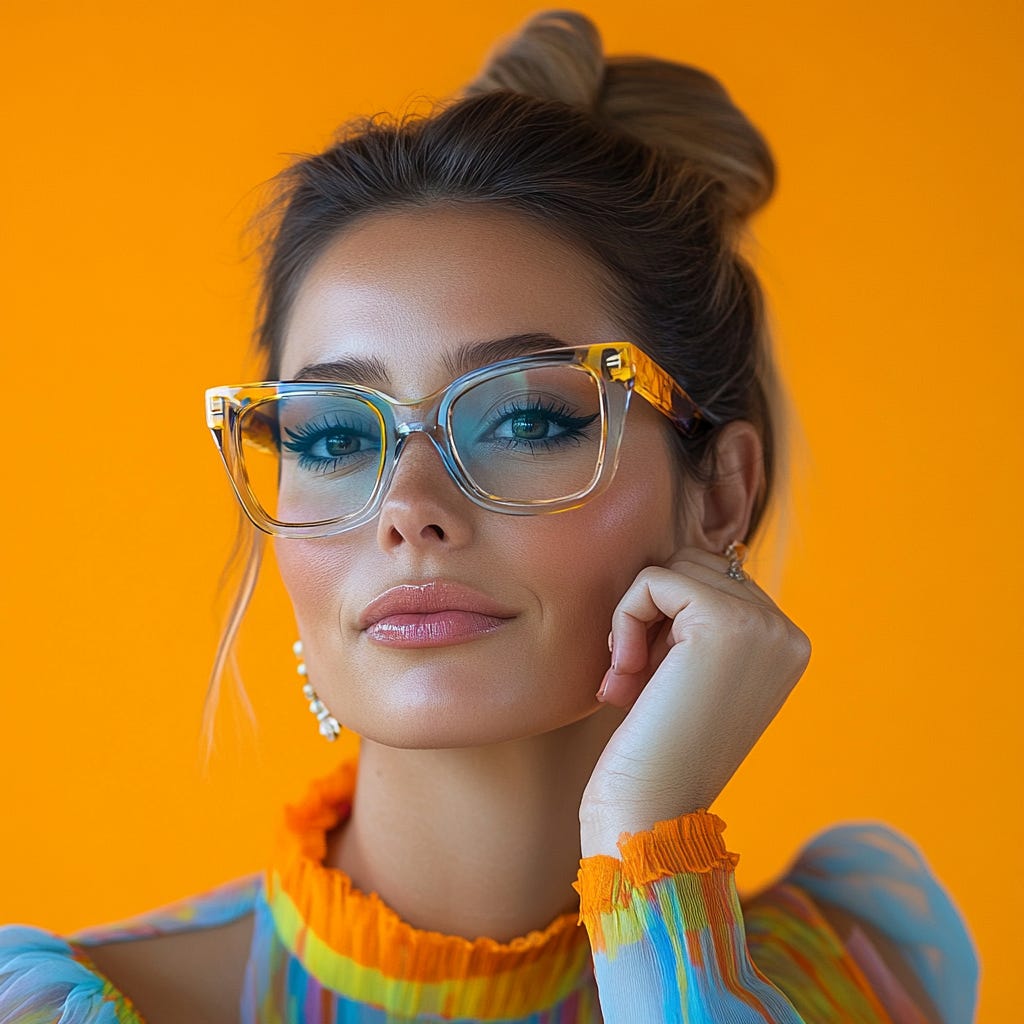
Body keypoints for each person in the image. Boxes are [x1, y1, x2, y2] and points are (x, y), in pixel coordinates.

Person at [0, 10, 978, 1023]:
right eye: (334, 437)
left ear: (720, 492)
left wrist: (647, 839)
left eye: (524, 416)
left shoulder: (848, 986)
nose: (409, 509)